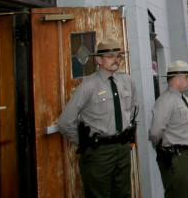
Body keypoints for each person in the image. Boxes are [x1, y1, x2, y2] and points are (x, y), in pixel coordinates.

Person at [58, 37, 139, 198]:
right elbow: (65, 122)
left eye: (118, 56)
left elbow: (134, 107)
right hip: (99, 152)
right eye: (110, 57)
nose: (116, 60)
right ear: (99, 60)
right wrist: (85, 143)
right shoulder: (88, 86)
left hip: (122, 148)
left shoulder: (126, 81)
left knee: (124, 194)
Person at [149, 61, 188, 198]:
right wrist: (163, 147)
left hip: (187, 155)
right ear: (177, 79)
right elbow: (155, 132)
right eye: (186, 77)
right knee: (178, 194)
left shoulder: (181, 99)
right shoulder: (166, 101)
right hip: (177, 156)